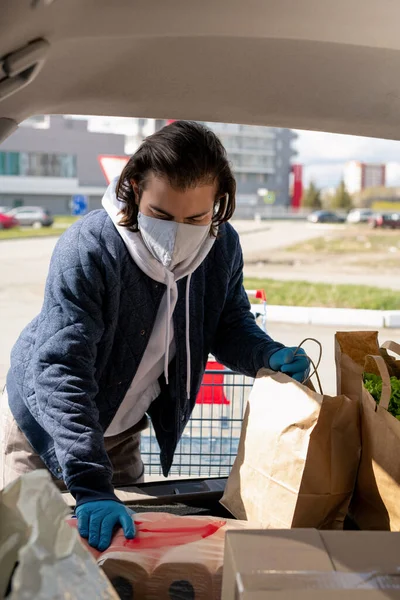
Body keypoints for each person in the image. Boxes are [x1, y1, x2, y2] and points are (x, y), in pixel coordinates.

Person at [0, 121, 308, 551]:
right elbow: (61, 369)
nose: (177, 233)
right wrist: (91, 486)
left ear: (218, 204)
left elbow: (228, 323)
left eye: (196, 218)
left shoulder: (221, 246)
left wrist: (268, 353)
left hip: (121, 431)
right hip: (45, 426)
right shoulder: (89, 248)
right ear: (133, 190)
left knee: (122, 556)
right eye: (161, 216)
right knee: (30, 553)